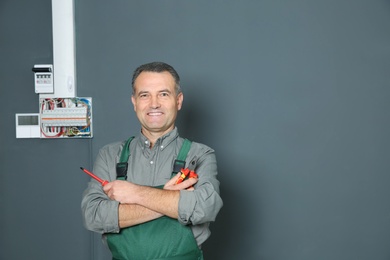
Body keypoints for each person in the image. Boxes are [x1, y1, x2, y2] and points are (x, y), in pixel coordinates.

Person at [81, 61, 223, 260]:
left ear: (179, 100)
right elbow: (94, 216)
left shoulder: (199, 155)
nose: (154, 103)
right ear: (134, 102)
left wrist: (134, 193)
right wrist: (169, 198)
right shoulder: (110, 155)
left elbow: (204, 208)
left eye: (163, 94)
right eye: (144, 95)